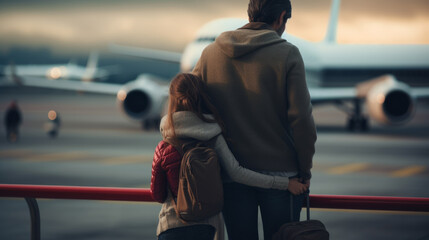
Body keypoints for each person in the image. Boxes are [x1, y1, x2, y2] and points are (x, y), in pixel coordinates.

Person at [192, 0, 317, 239]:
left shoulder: (210, 54)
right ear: (281, 17)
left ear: (250, 14)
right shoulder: (288, 53)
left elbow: (189, 106)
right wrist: (305, 170)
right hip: (283, 175)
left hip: (231, 172)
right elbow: (301, 119)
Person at [151, 73, 308, 240]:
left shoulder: (165, 143)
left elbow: (158, 194)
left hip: (171, 226)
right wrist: (285, 183)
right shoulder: (212, 135)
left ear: (173, 99)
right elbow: (238, 173)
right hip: (207, 227)